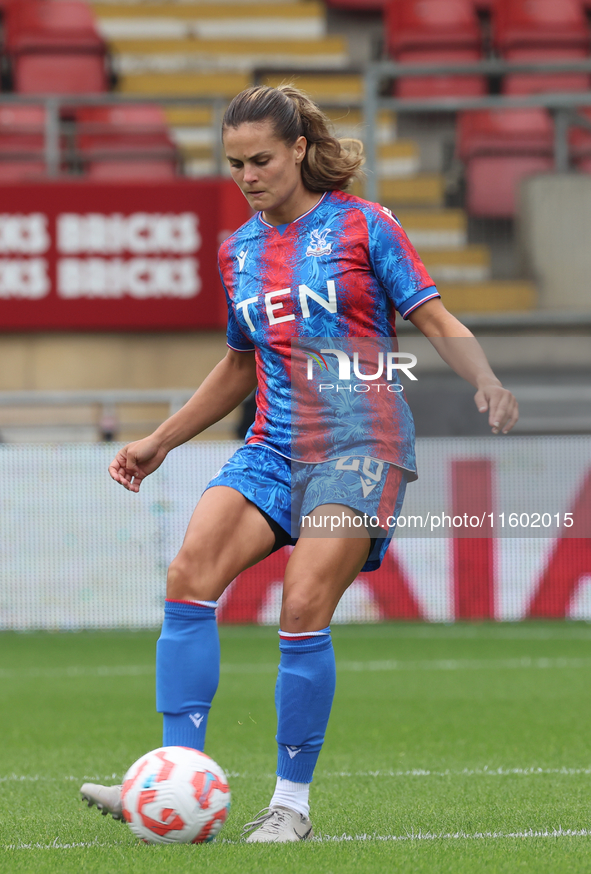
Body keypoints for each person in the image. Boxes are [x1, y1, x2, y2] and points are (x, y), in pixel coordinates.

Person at [80, 84, 518, 842]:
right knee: (188, 576)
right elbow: (240, 364)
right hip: (273, 446)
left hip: (360, 444)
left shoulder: (363, 225)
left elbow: (433, 316)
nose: (248, 175)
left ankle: (291, 805)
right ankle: (174, 783)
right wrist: (159, 440)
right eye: (234, 164)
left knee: (301, 603)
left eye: (260, 160)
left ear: (299, 152)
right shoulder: (237, 250)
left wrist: (483, 378)